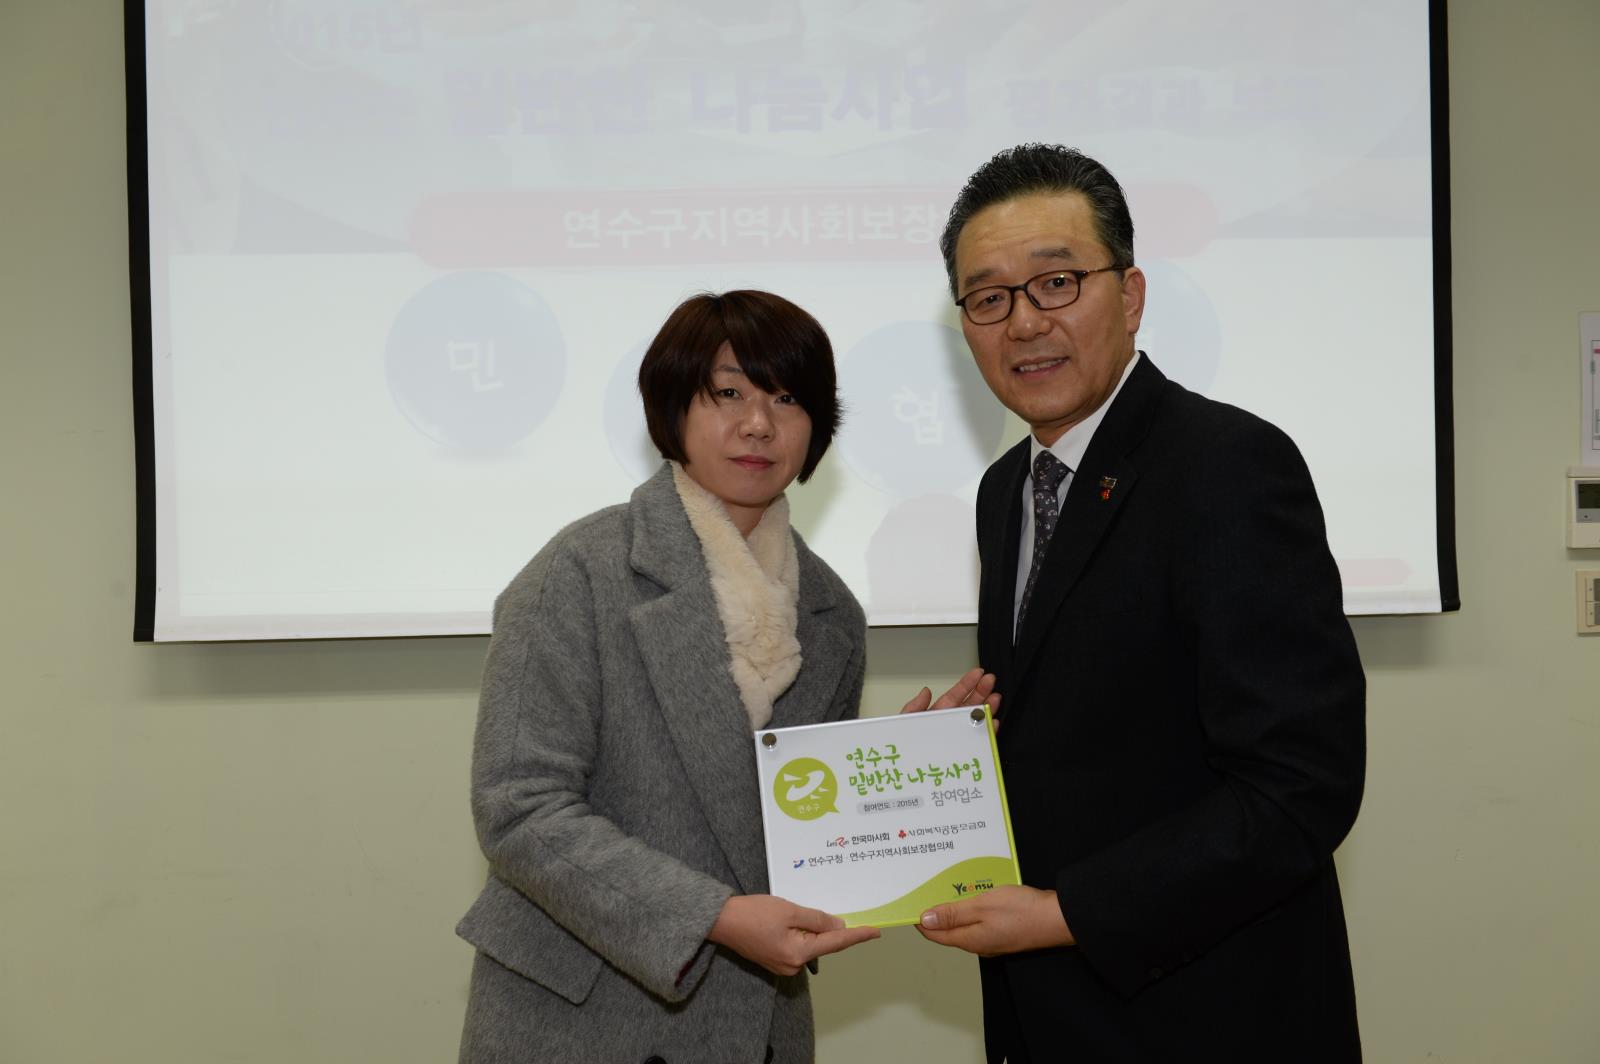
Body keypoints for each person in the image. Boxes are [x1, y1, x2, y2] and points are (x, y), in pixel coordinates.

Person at [456, 289, 995, 1064]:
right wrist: (712, 915)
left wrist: (893, 777)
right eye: (728, 393)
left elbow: (798, 824)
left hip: (751, 1022)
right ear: (672, 410)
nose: (758, 424)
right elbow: (518, 809)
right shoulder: (581, 570)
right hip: (577, 1015)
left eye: (786, 398)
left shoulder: (830, 610)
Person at [913, 145, 1367, 1062]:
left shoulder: (1227, 465)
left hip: (1210, 1013)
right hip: (1054, 1015)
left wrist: (1069, 913)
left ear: (1130, 295)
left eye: (1057, 283)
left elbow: (1299, 785)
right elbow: (1077, 727)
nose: (1025, 323)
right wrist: (938, 760)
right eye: (988, 297)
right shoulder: (1005, 489)